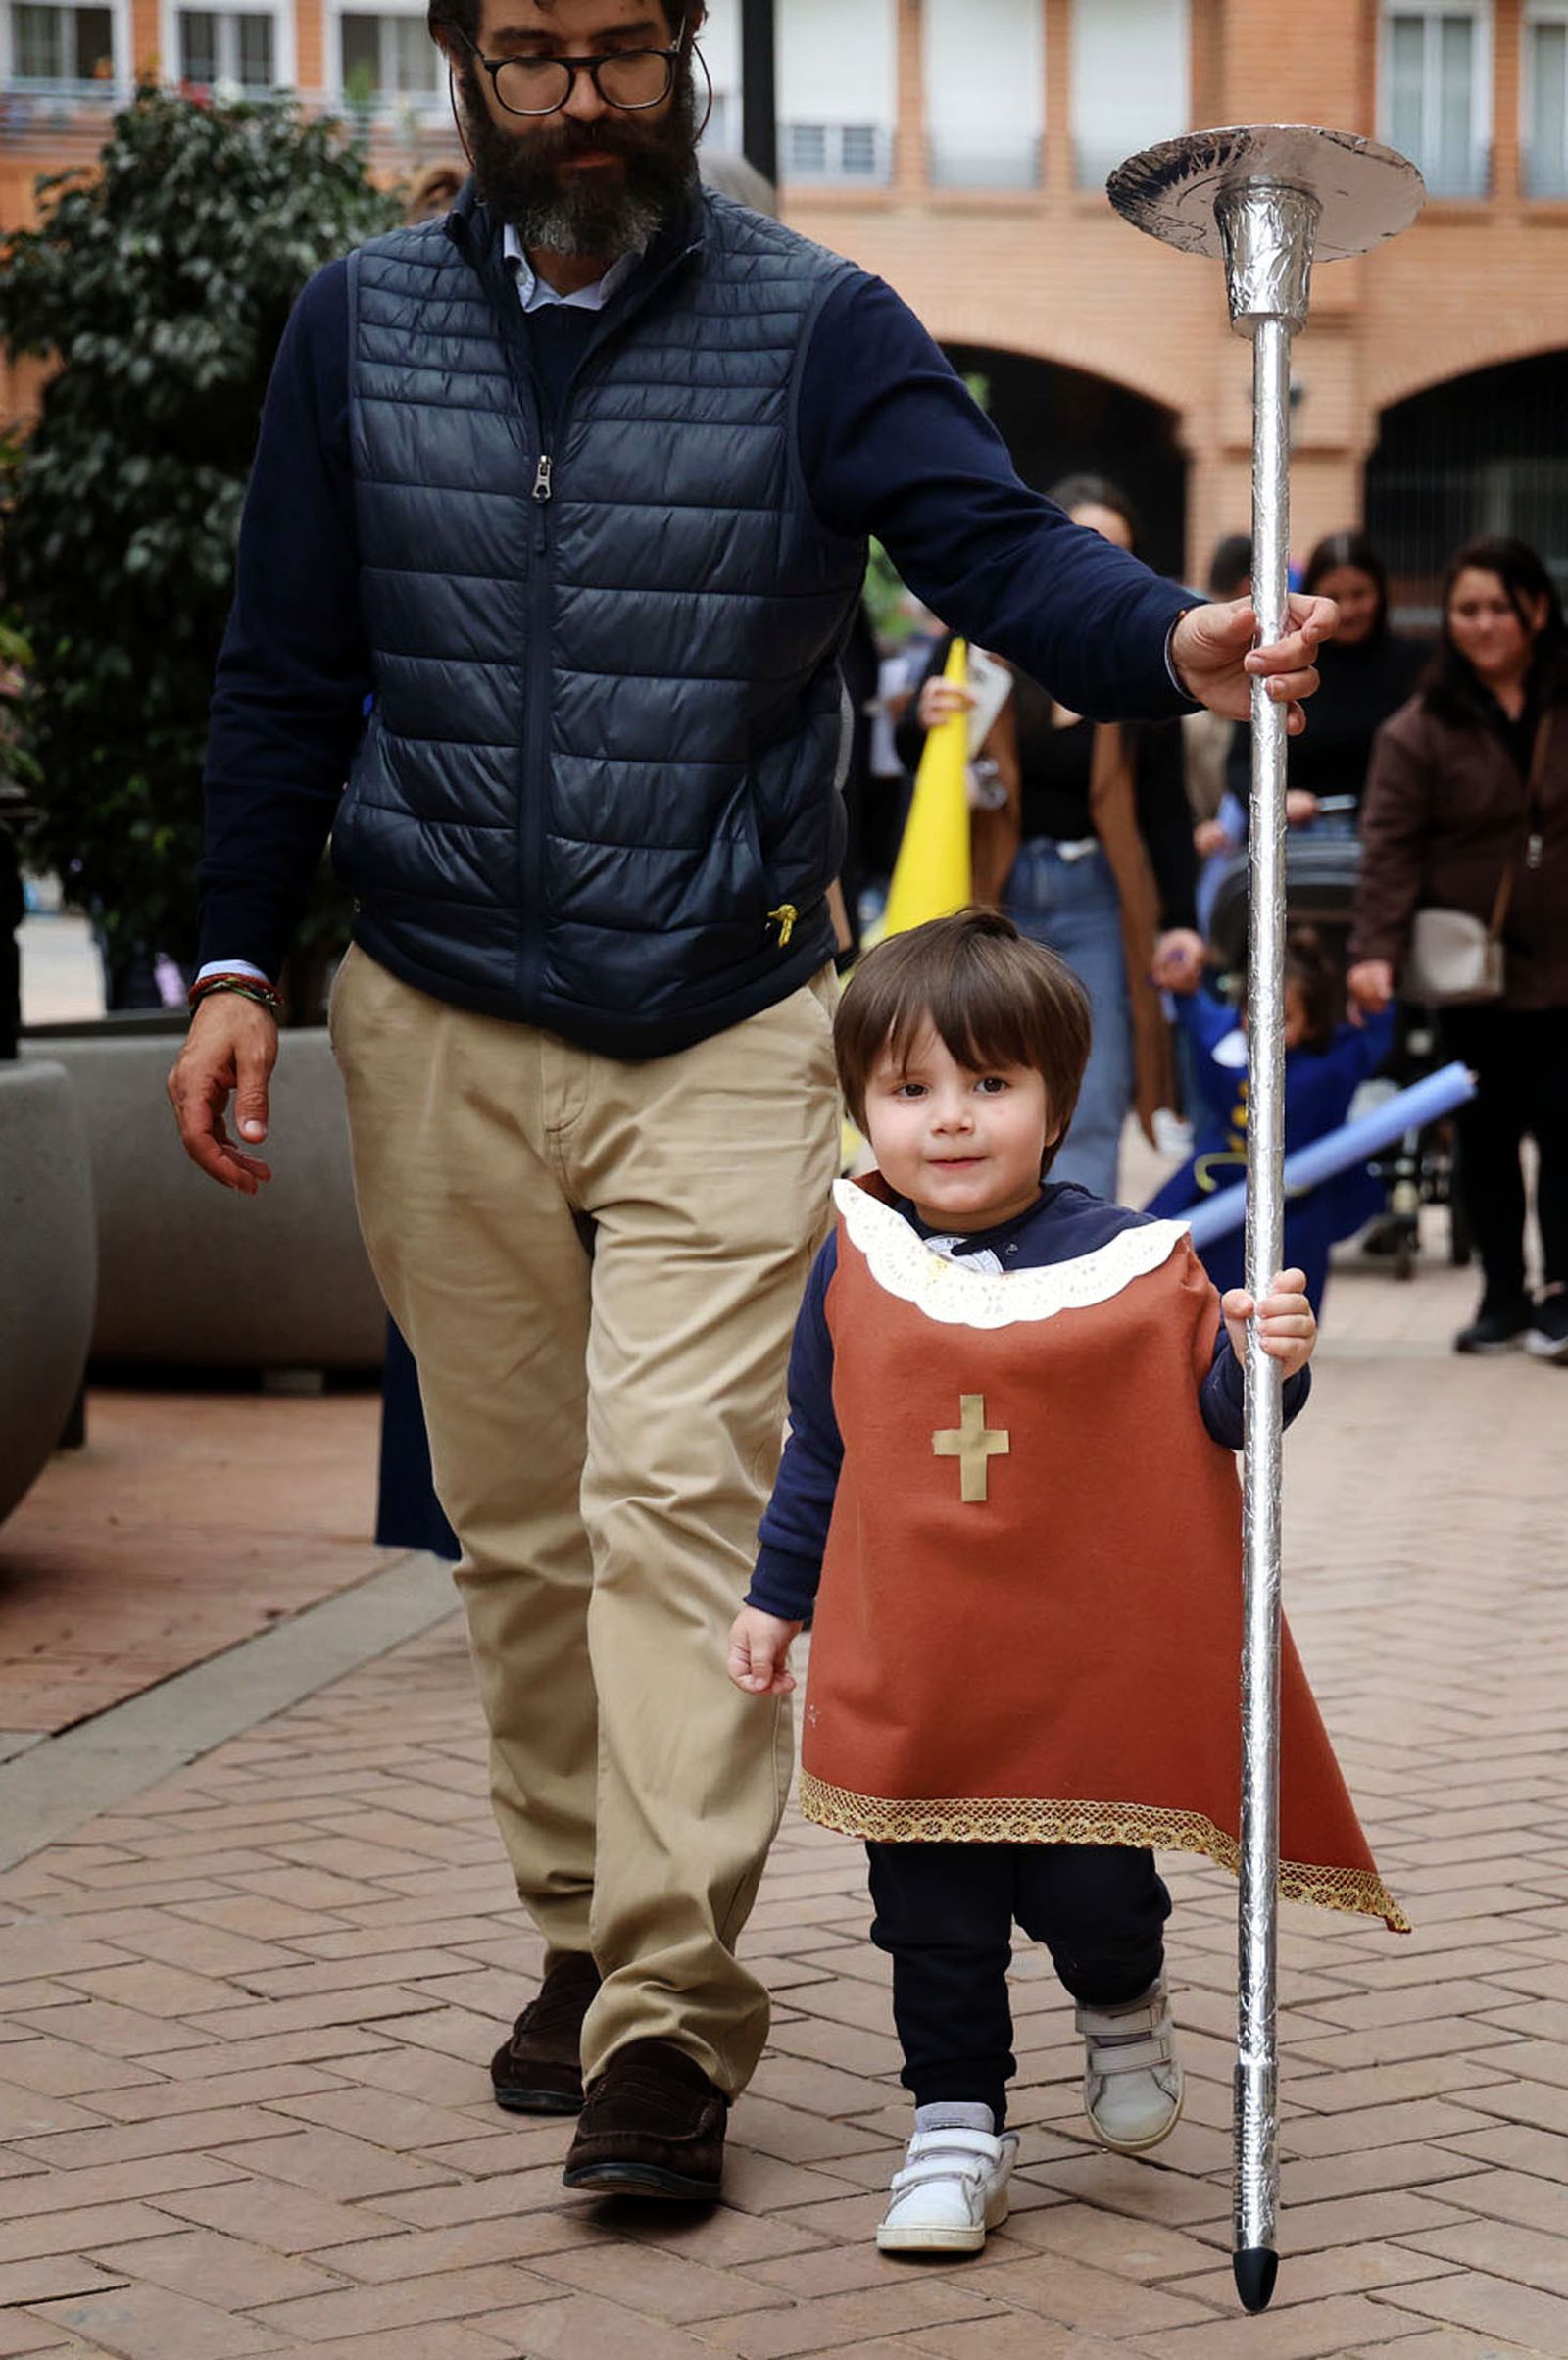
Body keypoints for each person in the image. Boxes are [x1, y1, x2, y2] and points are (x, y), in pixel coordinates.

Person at [167, 0, 1335, 2203]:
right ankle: (570, 1924)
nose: (579, 97)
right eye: (530, 56)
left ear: (683, 56)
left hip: (716, 1013)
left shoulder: (819, 324)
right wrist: (237, 956)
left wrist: (1157, 635)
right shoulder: (355, 327)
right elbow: (285, 661)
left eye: (618, 48)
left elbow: (986, 547)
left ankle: (666, 2021)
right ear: (459, 67)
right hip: (432, 1001)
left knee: (677, 1497)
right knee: (514, 1529)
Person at [728, 910, 1403, 2256]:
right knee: (931, 1918)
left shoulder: (1135, 1260)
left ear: (1056, 1103)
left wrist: (1270, 1357)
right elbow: (828, 1446)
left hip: (1075, 1671)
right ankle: (954, 2126)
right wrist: (776, 1593)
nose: (952, 1121)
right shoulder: (855, 1259)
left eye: (991, 1084)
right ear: (863, 1107)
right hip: (918, 1667)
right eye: (911, 1091)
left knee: (1093, 1899)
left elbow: (1216, 1411)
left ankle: (1122, 1997)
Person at [898, 477, 1204, 1202]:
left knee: (1091, 1100)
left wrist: (1182, 922)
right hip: (993, 900)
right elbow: (919, 764)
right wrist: (922, 721)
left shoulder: (1143, 660)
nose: (1101, 564)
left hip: (1099, 898)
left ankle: (1072, 1271)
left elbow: (1166, 808)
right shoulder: (981, 637)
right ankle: (988, 1261)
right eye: (1086, 544)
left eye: (1119, 552)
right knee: (977, 1085)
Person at [1348, 533, 1568, 1360]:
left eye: (1497, 609)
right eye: (1464, 610)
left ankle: (1560, 1293)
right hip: (1474, 969)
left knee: (1565, 1125)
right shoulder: (1420, 726)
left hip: (1564, 959)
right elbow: (1391, 847)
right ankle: (1504, 1294)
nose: (1480, 625)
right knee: (1486, 1133)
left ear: (1536, 611)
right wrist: (1374, 950)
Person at [1146, 926, 1395, 1311]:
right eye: (1253, 1012)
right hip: (1220, 1186)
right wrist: (1179, 966)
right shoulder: (1222, 1041)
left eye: (1283, 1018)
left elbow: (1372, 1041)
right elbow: (1189, 1001)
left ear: (1310, 1024)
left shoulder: (1330, 1066)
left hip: (1296, 1204)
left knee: (1286, 1300)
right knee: (1202, 1288)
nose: (1264, 1029)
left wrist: (1375, 1005)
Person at [1217, 528, 1427, 851]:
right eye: (1335, 598)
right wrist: (1278, 799)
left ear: (1380, 592)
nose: (1349, 610)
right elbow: (1240, 762)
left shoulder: (1415, 665)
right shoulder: (1286, 662)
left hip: (1391, 842)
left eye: (1360, 595)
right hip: (1293, 845)